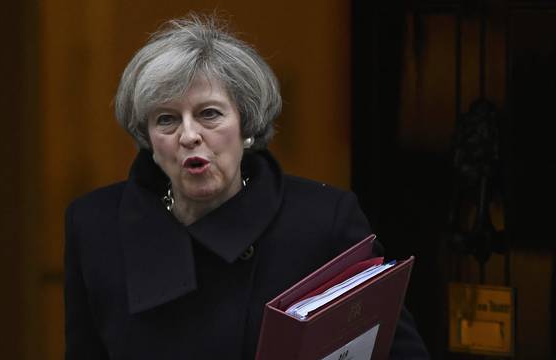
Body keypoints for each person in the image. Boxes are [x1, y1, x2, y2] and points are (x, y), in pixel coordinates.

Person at [64, 14, 429, 360]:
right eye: (167, 119)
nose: (189, 135)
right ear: (147, 138)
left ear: (247, 125)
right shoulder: (95, 225)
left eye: (209, 114)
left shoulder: (323, 221)